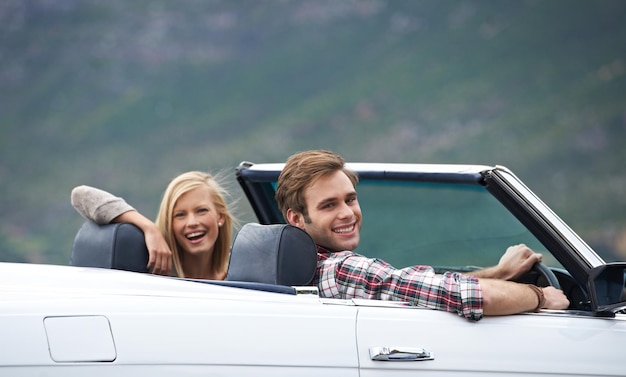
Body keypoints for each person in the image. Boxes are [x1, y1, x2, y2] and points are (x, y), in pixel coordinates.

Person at [275, 150, 570, 321]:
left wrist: (501, 272)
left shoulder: (270, 266)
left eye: (350, 199)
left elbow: (414, 286)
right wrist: (540, 295)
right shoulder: (341, 270)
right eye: (329, 205)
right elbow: (468, 296)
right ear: (297, 218)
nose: (347, 214)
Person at [71, 171, 235, 279]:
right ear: (169, 223)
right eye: (180, 215)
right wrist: (150, 229)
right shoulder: (157, 268)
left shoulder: (238, 277)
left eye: (201, 211)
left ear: (220, 217)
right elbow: (81, 195)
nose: (192, 223)